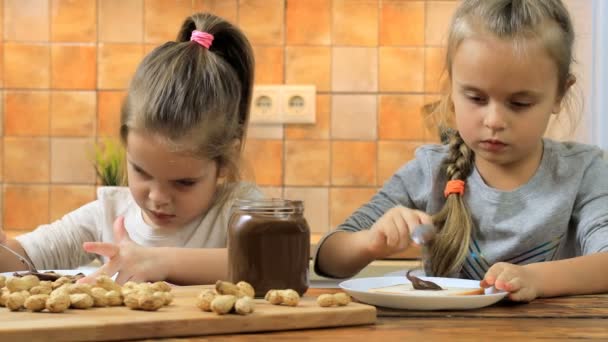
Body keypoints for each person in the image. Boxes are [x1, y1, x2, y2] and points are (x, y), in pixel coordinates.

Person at [314, 0, 608, 302]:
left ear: (560, 94)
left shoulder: (583, 171)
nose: (494, 121)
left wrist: (534, 278)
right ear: (452, 87)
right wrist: (370, 242)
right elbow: (328, 258)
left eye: (520, 104)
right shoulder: (429, 170)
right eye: (476, 98)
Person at [0, 12, 262, 285]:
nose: (158, 197)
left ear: (224, 161)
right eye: (142, 171)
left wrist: (159, 261)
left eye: (184, 182)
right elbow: (20, 259)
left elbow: (272, 263)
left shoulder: (240, 211)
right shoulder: (108, 212)